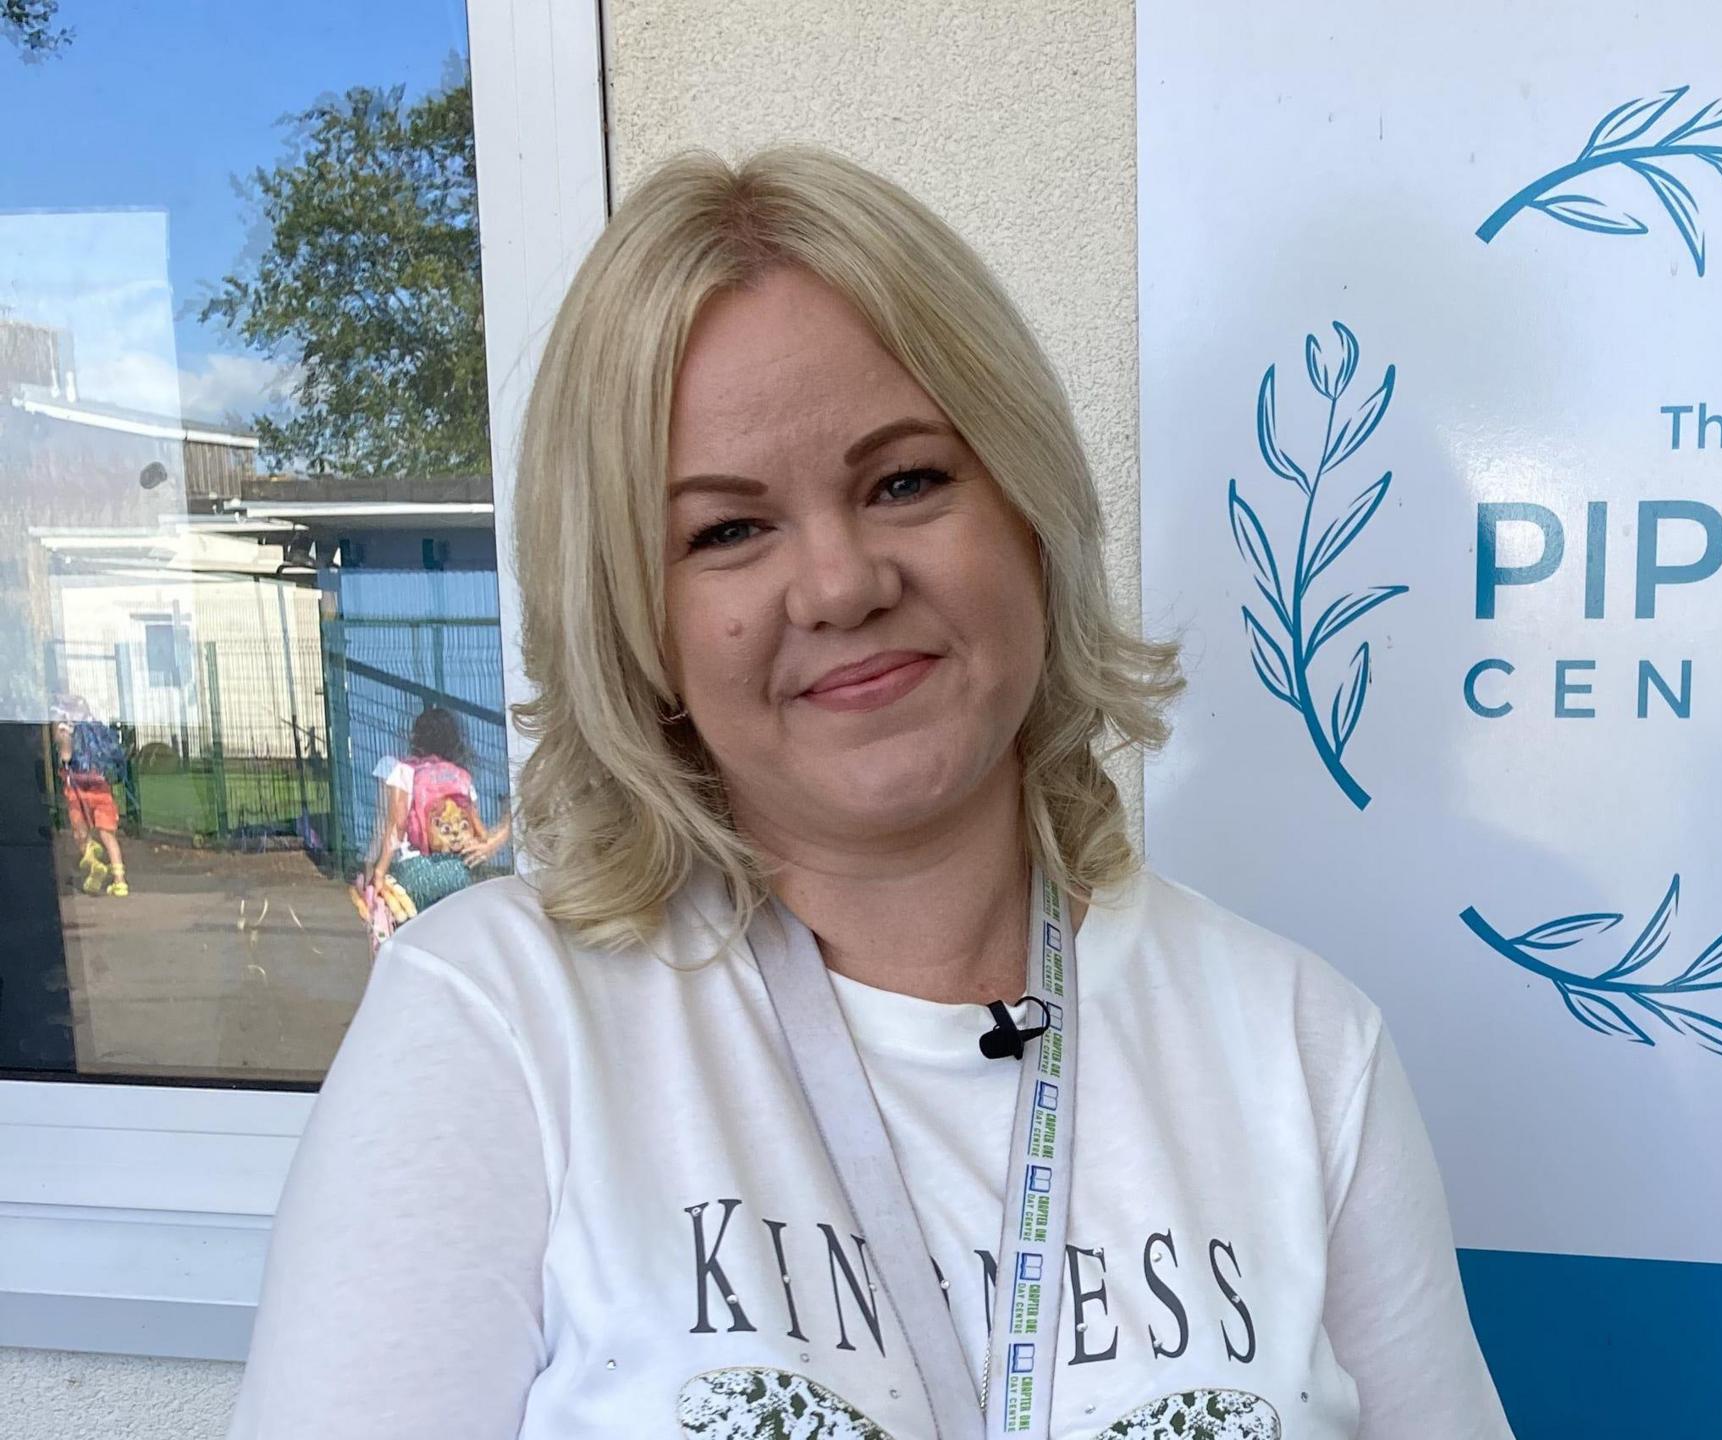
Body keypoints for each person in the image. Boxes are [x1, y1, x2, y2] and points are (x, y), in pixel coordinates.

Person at [232, 147, 1513, 1439]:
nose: (841, 584)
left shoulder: (1301, 1048)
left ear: (1027, 509)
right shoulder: (502, 1026)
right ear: (638, 617)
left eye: (906, 481)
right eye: (725, 531)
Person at [360, 703, 509, 921]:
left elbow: (394, 826)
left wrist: (377, 870)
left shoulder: (401, 770)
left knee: (413, 930)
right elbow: (478, 831)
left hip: (415, 872)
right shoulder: (461, 778)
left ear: (415, 738)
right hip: (458, 870)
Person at [52, 695, 128, 897]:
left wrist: (62, 740)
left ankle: (92, 859)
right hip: (100, 785)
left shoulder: (68, 729)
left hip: (77, 786)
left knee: (80, 831)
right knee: (107, 834)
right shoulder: (98, 728)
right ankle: (120, 882)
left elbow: (66, 757)